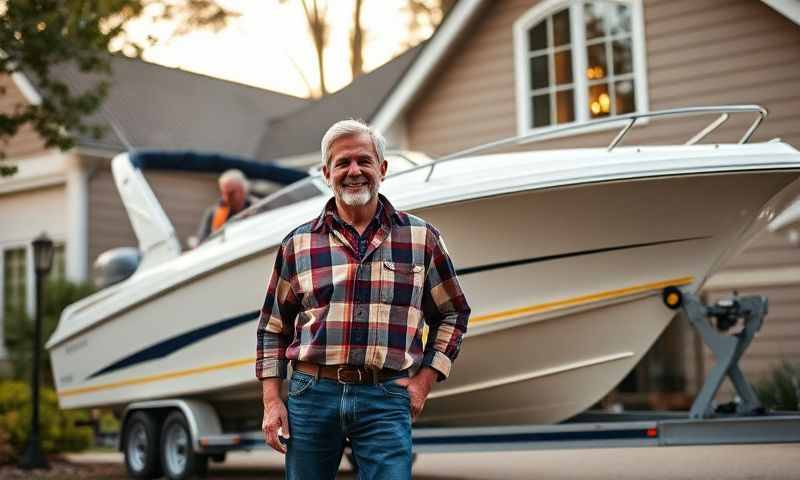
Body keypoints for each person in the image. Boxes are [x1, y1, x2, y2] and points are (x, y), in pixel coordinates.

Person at [255, 119, 470, 479]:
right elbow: (272, 327)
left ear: (382, 169)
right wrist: (272, 400)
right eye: (342, 163)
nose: (354, 171)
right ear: (327, 173)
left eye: (364, 161)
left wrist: (424, 381)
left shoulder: (421, 239)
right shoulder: (298, 244)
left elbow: (453, 313)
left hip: (385, 396)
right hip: (312, 393)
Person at [196, 169, 252, 242]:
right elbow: (202, 241)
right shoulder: (213, 213)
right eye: (224, 193)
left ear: (243, 191)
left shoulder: (258, 208)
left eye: (231, 193)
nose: (227, 198)